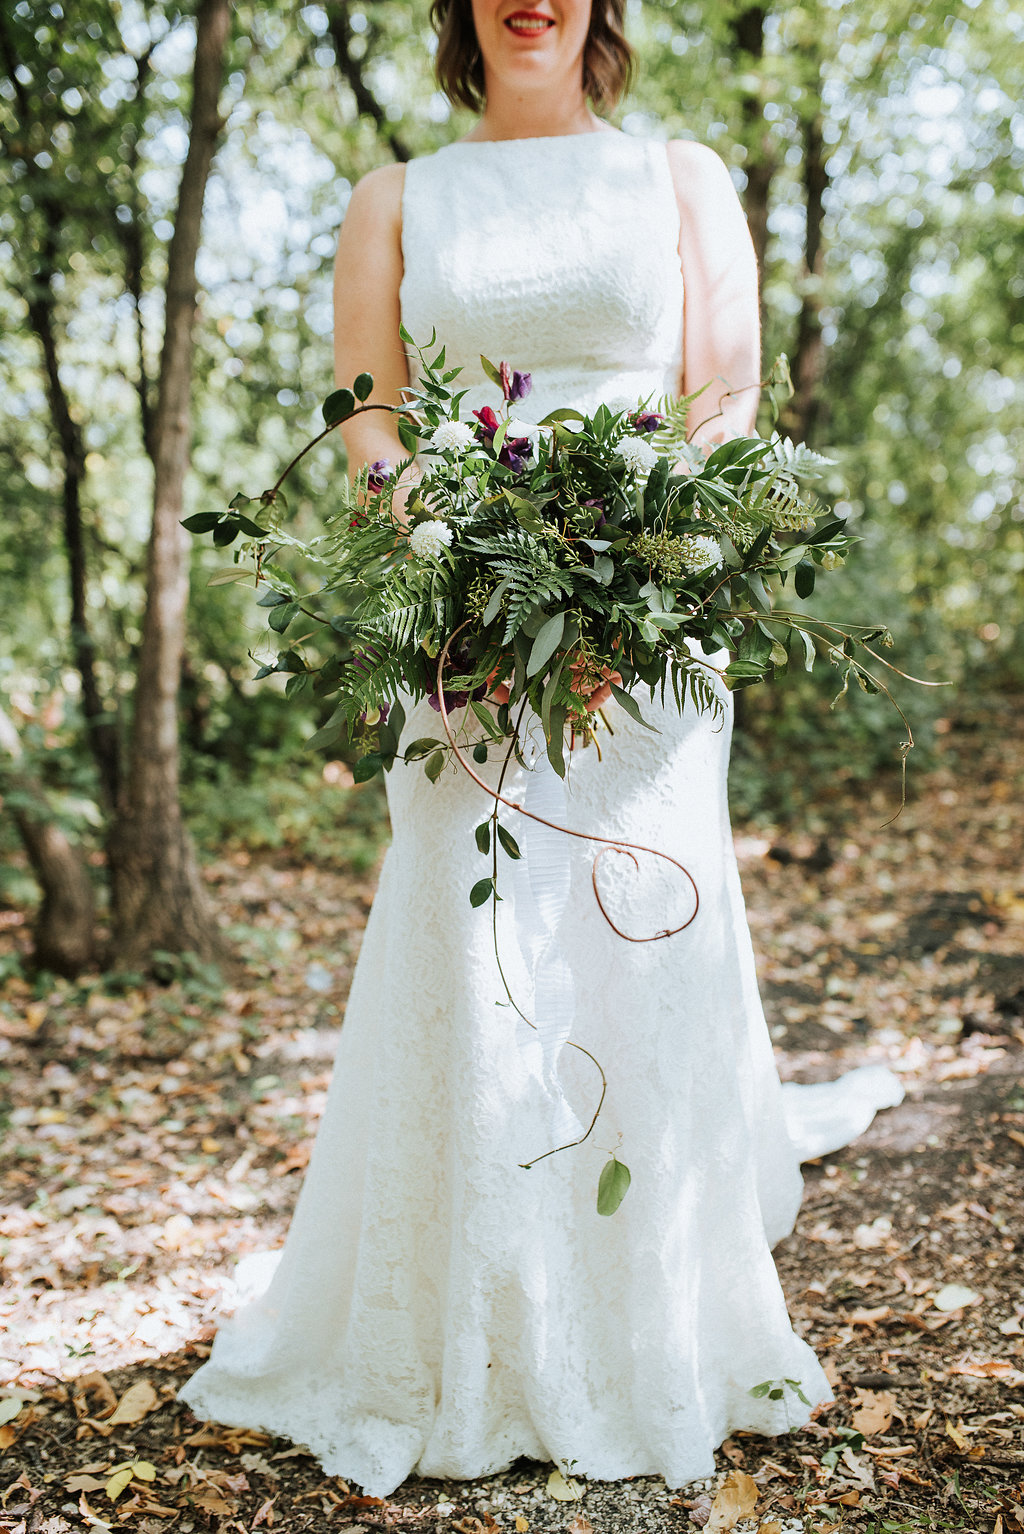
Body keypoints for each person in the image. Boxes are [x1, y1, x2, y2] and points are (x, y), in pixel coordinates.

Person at [179, 0, 904, 1496]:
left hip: (651, 628)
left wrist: (631, 557)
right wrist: (445, 541)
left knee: (638, 934)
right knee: (470, 924)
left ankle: (647, 1324)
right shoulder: (397, 199)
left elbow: (721, 398)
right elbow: (374, 418)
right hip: (455, 625)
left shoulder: (684, 181)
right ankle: (471, 1323)